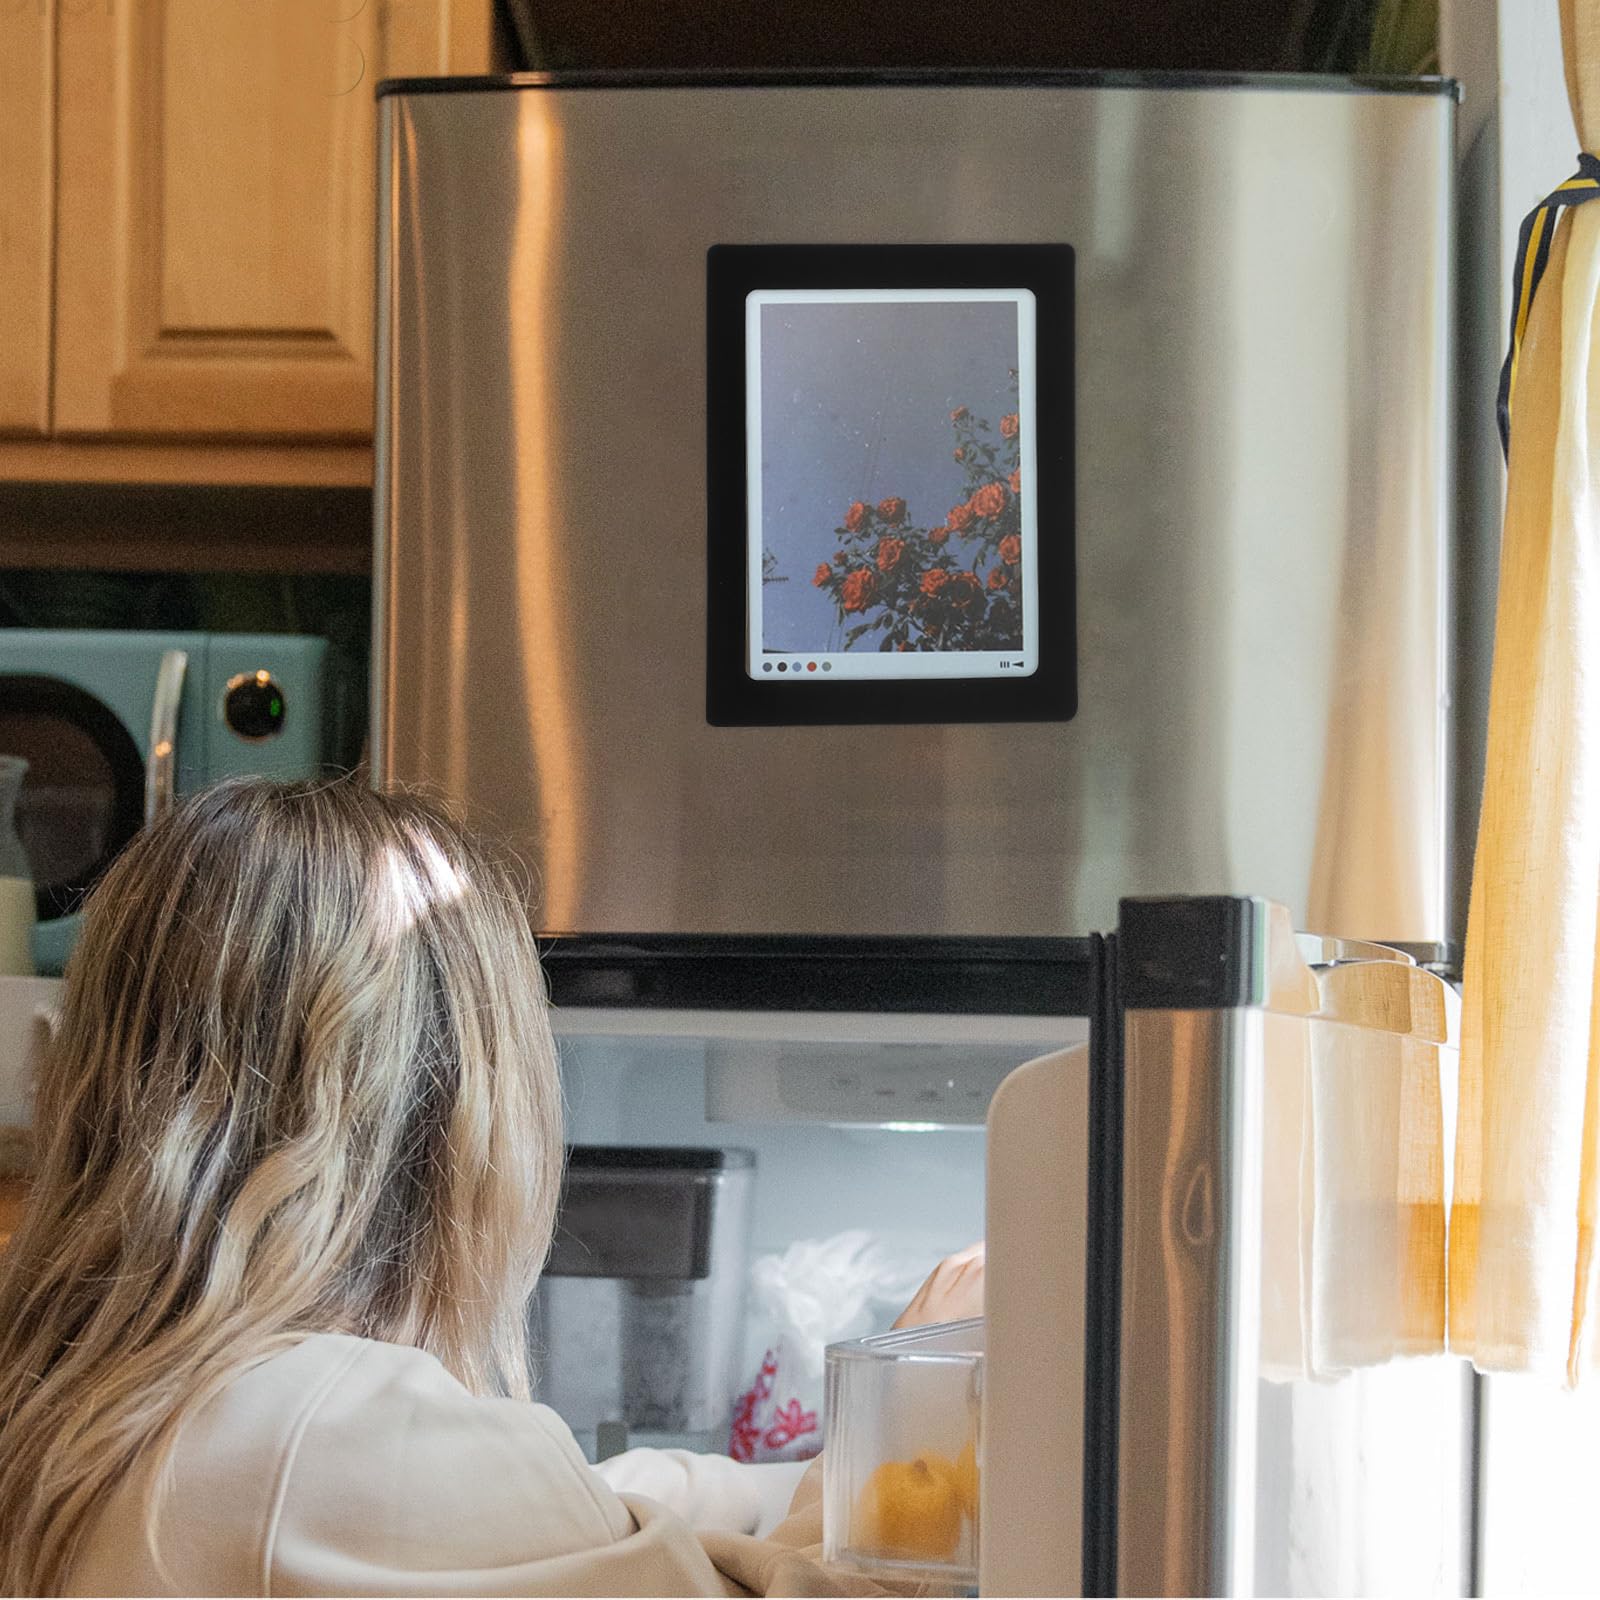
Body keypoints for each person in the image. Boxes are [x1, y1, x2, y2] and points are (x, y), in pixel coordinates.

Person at [0, 779, 982, 1597]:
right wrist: (910, 1412)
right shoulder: (322, 1428)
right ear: (452, 1110)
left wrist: (798, 1483)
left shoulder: (122, 1406)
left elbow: (585, 1507)